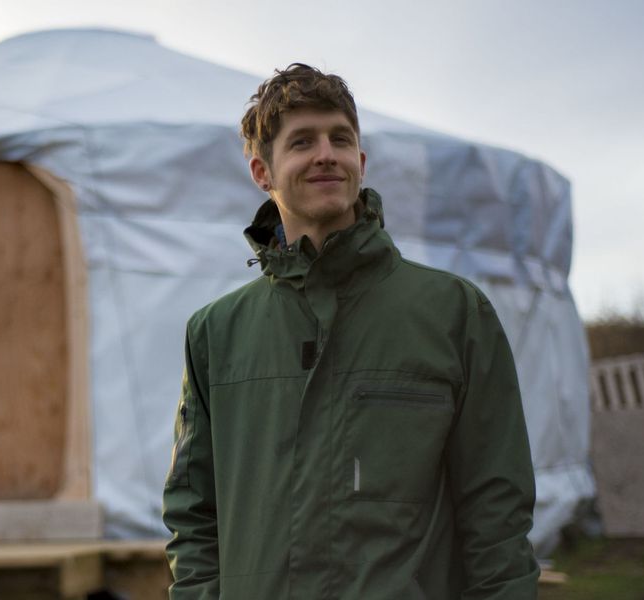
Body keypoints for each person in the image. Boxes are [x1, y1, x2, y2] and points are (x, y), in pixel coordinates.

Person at [162, 64, 539, 599]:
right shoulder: (215, 334)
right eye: (302, 142)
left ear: (360, 162)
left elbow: (497, 510)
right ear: (261, 172)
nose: (325, 154)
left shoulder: (454, 314)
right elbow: (193, 511)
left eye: (340, 139)